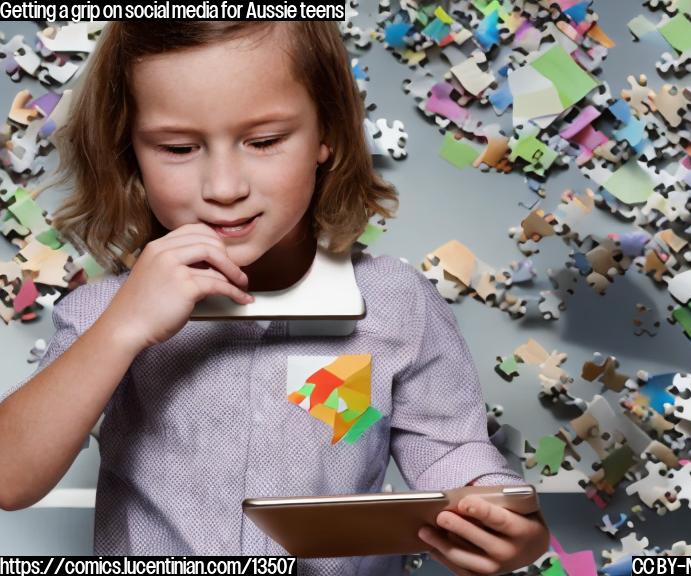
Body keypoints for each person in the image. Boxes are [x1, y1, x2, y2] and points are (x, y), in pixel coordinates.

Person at [0, 21, 549, 575]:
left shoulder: (395, 303)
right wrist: (123, 328)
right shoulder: (103, 312)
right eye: (178, 147)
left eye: (263, 142)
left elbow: (450, 451)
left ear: (326, 134)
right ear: (131, 152)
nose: (224, 186)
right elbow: (10, 478)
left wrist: (505, 519)